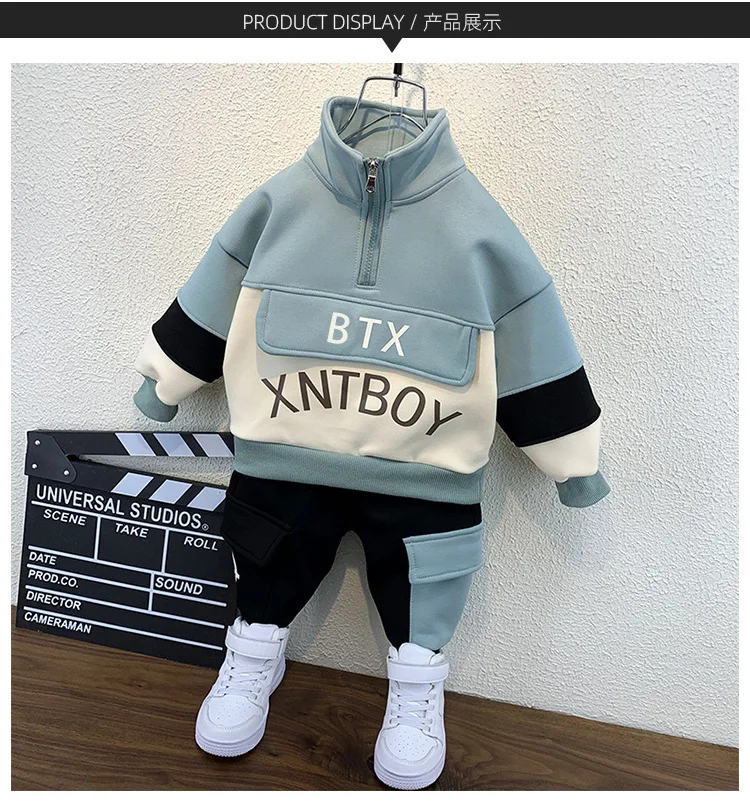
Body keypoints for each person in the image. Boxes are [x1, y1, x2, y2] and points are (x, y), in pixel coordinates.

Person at [132, 95, 609, 790]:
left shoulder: (477, 225)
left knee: (425, 587)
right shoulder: (280, 203)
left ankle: (417, 684)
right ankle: (254, 651)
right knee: (266, 562)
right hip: (286, 459)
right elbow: (218, 281)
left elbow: (530, 328)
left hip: (426, 474)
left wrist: (570, 457)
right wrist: (166, 378)